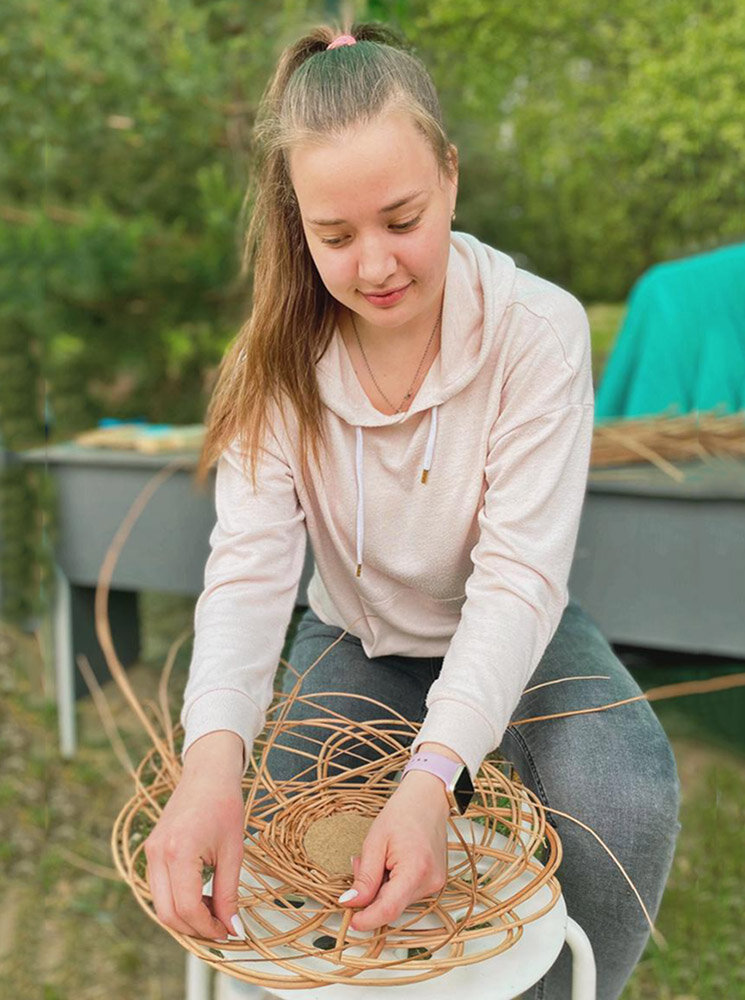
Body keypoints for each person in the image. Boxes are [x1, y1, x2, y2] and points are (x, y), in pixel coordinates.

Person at [144, 22, 681, 1000]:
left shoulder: (538, 329)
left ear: (451, 176)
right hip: (356, 638)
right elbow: (247, 574)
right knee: (280, 844)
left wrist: (431, 780)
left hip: (520, 631)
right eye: (335, 236)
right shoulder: (271, 360)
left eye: (402, 219)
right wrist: (209, 768)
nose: (375, 265)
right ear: (297, 222)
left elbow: (517, 579)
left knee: (623, 798)